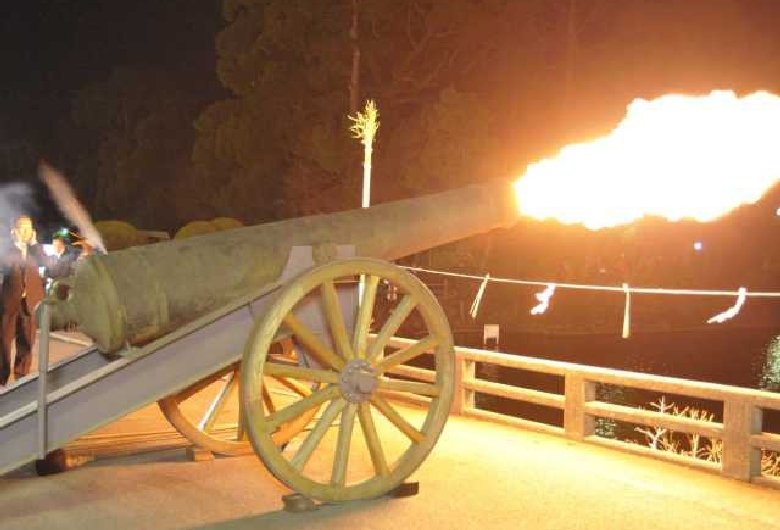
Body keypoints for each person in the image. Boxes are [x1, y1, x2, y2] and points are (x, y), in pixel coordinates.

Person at [0, 215, 48, 386]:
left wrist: (34, 243)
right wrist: (17, 247)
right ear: (15, 230)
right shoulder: (7, 249)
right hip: (10, 303)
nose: (26, 232)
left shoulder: (35, 250)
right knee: (4, 343)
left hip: (30, 303)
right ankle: (2, 378)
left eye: (29, 228)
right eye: (23, 228)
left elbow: (46, 262)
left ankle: (21, 377)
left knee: (27, 342)